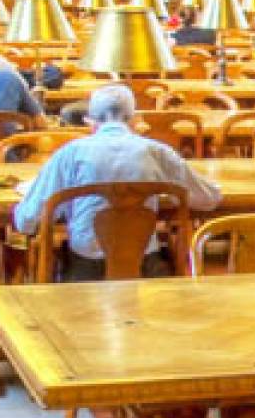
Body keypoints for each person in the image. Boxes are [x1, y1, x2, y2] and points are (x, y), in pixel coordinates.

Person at [11, 84, 222, 281]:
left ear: (90, 121)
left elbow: (26, 220)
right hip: (146, 269)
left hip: (84, 272)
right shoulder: (157, 152)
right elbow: (209, 198)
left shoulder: (70, 154)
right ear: (135, 120)